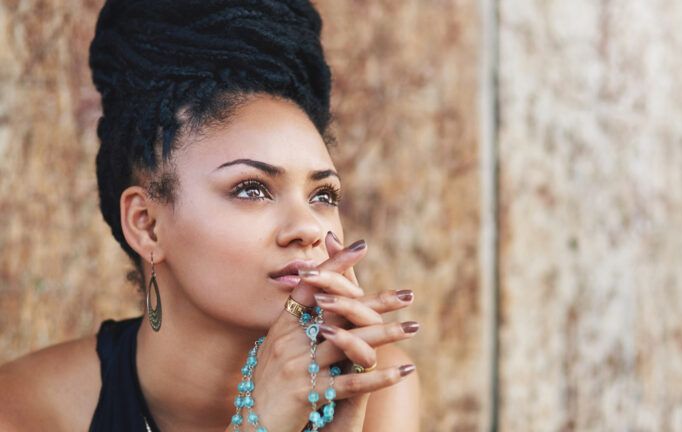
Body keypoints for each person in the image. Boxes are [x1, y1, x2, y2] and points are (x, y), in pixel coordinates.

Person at [0, 0, 420, 430]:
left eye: (322, 194)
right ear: (146, 224)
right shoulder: (24, 411)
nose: (308, 228)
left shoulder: (372, 383)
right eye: (252, 189)